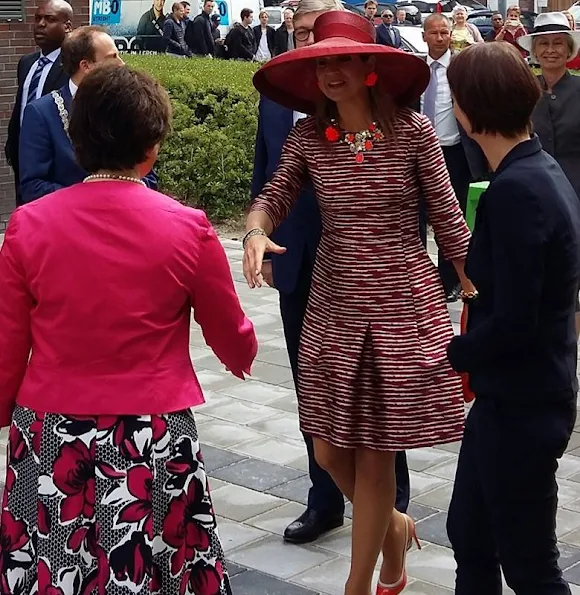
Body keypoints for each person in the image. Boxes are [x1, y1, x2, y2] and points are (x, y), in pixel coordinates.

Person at [0, 62, 257, 594]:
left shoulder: (29, 224)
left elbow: (8, 341)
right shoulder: (187, 227)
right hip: (153, 429)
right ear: (153, 144)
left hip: (52, 427)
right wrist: (242, 354)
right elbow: (228, 329)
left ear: (77, 141)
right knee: (156, 565)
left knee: (53, 563)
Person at [247, 10, 473, 595]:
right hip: (333, 302)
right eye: (322, 61)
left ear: (371, 66)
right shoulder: (306, 136)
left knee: (375, 449)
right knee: (327, 449)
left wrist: (476, 281)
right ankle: (393, 527)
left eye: (343, 59)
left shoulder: (414, 132)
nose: (331, 72)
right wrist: (254, 231)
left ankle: (360, 584)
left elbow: (449, 220)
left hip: (401, 300)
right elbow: (273, 194)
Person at [252, 0, 411, 548]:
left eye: (324, 44)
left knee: (380, 401)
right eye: (303, 40)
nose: (317, 55)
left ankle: (391, 503)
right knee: (316, 400)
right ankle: (328, 502)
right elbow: (266, 182)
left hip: (384, 282)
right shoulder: (280, 113)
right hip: (305, 271)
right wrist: (259, 238)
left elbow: (439, 211)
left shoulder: (400, 127)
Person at [446, 41, 580, 595]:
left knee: (530, 568)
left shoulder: (519, 190)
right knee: (470, 534)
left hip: (523, 403)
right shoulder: (535, 169)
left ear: (471, 109)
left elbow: (517, 320)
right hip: (512, 399)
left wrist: (448, 354)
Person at [18, 27, 158, 203]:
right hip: (69, 224)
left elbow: (149, 176)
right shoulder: (41, 112)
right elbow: (32, 186)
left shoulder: (127, 105)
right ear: (86, 66)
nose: (121, 63)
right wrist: (91, 200)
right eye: (112, 57)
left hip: (126, 217)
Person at [420, 13, 487, 302]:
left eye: (444, 33)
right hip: (418, 154)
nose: (440, 38)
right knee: (416, 215)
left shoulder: (462, 69)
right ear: (424, 36)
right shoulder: (415, 71)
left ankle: (450, 279)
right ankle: (419, 278)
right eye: (434, 33)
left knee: (451, 217)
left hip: (454, 154)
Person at [5, 0, 73, 208]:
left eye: (50, 19)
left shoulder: (72, 66)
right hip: (22, 154)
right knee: (23, 210)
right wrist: (12, 145)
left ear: (68, 26)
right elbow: (21, 105)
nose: (40, 24)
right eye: (37, 18)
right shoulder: (27, 63)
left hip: (52, 158)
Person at [523, 12, 580, 199]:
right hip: (534, 190)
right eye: (543, 43)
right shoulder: (525, 91)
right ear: (535, 51)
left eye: (558, 43)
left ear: (569, 49)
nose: (550, 50)